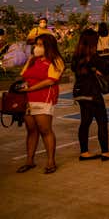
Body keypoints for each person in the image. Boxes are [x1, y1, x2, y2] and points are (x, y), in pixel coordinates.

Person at [16, 34, 64, 174]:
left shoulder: (56, 61)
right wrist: (30, 60)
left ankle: (51, 162)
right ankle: (29, 160)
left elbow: (51, 80)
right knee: (31, 130)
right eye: (36, 45)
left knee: (45, 130)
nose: (37, 48)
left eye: (41, 45)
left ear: (49, 46)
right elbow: (23, 75)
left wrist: (31, 88)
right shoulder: (33, 60)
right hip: (27, 100)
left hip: (43, 99)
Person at [71, 29, 109, 162]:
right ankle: (105, 152)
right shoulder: (93, 57)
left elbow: (78, 69)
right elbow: (107, 68)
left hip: (80, 92)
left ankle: (84, 152)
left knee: (85, 122)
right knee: (102, 121)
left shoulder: (77, 56)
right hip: (92, 93)